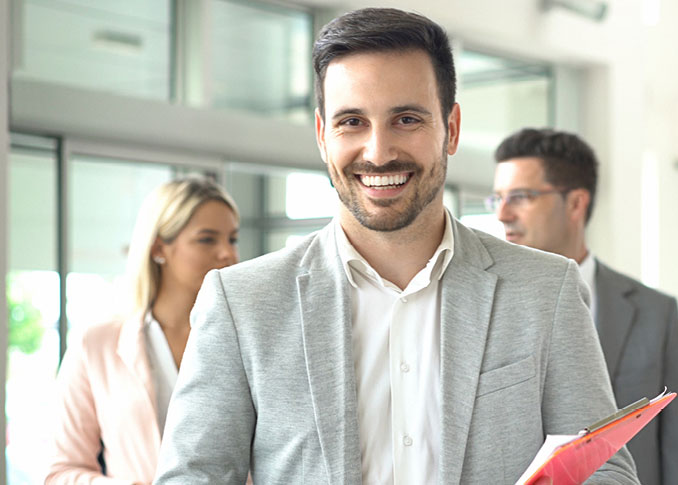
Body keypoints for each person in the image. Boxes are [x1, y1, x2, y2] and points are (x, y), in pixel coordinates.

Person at [153, 8, 636, 485]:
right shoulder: (242, 302)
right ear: (322, 135)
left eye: (406, 119)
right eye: (352, 122)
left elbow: (604, 470)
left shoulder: (544, 289)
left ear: (452, 128)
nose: (379, 151)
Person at [492, 127, 678, 485]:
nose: (503, 213)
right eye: (497, 198)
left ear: (577, 203)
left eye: (521, 196)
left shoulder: (655, 312)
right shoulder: (490, 309)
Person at [46, 177, 240, 484]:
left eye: (232, 239)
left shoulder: (248, 339)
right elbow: (61, 472)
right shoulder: (96, 345)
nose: (227, 254)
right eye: (207, 239)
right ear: (159, 247)